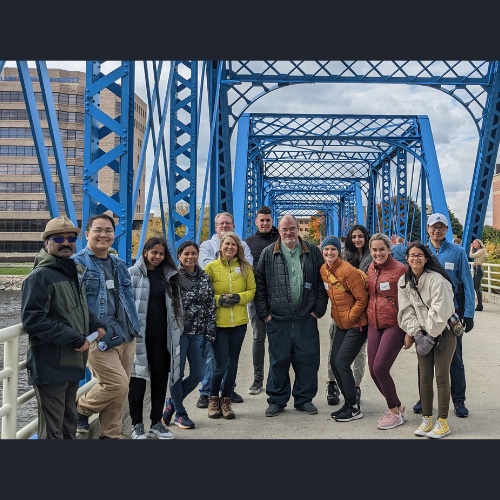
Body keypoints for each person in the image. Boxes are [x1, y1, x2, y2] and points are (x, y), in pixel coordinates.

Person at [20, 216, 105, 439]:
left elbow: (77, 308)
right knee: (52, 430)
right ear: (46, 242)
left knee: (69, 424)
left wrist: (94, 323)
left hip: (72, 361)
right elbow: (33, 320)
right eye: (58, 238)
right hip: (51, 364)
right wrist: (74, 337)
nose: (66, 242)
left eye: (71, 238)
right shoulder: (40, 277)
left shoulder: (71, 272)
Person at [74, 214, 140, 439]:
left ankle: (110, 437)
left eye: (109, 230)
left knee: (120, 393)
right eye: (98, 230)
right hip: (98, 338)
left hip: (125, 335)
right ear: (87, 234)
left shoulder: (119, 264)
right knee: (117, 384)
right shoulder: (78, 264)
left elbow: (127, 300)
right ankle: (81, 408)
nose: (104, 235)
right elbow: (75, 303)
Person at [255, 214, 328, 417]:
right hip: (278, 318)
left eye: (292, 228)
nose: (288, 232)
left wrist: (318, 311)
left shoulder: (312, 251)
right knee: (278, 360)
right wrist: (265, 315)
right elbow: (259, 285)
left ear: (298, 229)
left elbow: (322, 282)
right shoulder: (268, 253)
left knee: (307, 360)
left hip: (306, 316)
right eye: (284, 229)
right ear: (278, 230)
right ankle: (277, 400)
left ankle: (304, 399)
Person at [411, 213, 474, 418]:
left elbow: (467, 282)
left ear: (446, 230)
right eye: (433, 227)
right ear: (427, 228)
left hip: (450, 315)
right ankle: (424, 398)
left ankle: (458, 400)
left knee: (455, 360)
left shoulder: (457, 252)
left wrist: (469, 313)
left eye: (441, 227)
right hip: (425, 316)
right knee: (425, 359)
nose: (437, 230)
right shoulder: (421, 252)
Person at [398, 241, 456, 438]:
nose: (415, 258)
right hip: (422, 334)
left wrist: (429, 334)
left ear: (426, 258)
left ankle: (443, 421)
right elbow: (405, 310)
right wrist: (416, 332)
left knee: (441, 376)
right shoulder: (404, 281)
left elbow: (441, 310)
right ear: (407, 258)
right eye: (412, 255)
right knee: (424, 377)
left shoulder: (437, 280)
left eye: (419, 255)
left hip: (443, 333)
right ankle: (426, 418)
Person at [127, 236, 183, 440]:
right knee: (138, 381)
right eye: (154, 253)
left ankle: (156, 423)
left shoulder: (169, 276)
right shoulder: (132, 274)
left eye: (161, 253)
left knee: (160, 379)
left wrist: (178, 329)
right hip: (139, 336)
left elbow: (178, 307)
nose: (157, 257)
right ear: (145, 252)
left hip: (163, 336)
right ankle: (136, 424)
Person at [196, 212, 253, 408]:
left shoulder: (243, 247)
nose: (225, 226)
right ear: (216, 226)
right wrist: (221, 300)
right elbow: (205, 271)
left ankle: (227, 392)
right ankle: (207, 393)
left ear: (233, 225)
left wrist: (238, 297)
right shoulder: (206, 247)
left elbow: (249, 277)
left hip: (238, 319)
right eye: (221, 223)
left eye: (228, 223)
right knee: (216, 358)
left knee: (231, 360)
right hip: (217, 318)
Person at [161, 240, 216, 430]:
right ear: (179, 256)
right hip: (179, 333)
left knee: (198, 373)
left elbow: (210, 305)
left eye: (193, 253)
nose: (190, 257)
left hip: (199, 333)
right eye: (186, 254)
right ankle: (181, 413)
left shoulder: (205, 277)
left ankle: (171, 404)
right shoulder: (172, 277)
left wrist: (210, 332)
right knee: (176, 374)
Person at [204, 232, 256, 419]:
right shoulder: (210, 268)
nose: (230, 247)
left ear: (238, 248)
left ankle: (226, 400)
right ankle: (212, 398)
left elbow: (252, 291)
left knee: (233, 364)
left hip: (239, 323)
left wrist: (238, 298)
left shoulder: (245, 268)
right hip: (219, 324)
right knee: (221, 365)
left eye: (234, 245)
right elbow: (205, 295)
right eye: (227, 244)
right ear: (220, 246)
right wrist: (220, 300)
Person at [320, 236, 368, 422]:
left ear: (339, 251)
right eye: (326, 250)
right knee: (334, 361)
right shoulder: (324, 270)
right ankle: (348, 404)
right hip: (341, 323)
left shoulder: (348, 271)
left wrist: (349, 317)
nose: (330, 253)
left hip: (357, 324)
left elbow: (362, 299)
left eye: (333, 249)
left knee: (341, 362)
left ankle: (354, 407)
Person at [365, 233, 408, 429]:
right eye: (374, 249)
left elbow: (410, 301)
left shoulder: (400, 270)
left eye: (382, 249)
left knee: (380, 368)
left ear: (389, 249)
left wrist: (410, 331)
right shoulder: (371, 269)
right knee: (373, 371)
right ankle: (398, 407)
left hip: (394, 324)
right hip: (374, 323)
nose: (378, 253)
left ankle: (393, 412)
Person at [331, 223, 372, 405]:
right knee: (335, 350)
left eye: (360, 236)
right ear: (349, 238)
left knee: (360, 352)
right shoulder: (342, 258)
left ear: (366, 238)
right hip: (342, 312)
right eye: (354, 236)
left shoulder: (373, 258)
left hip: (363, 313)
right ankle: (332, 383)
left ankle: (356, 385)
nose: (357, 240)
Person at [244, 205, 279, 395]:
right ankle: (258, 380)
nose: (265, 223)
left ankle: (275, 379)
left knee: (277, 339)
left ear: (272, 221)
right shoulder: (248, 243)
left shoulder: (280, 239)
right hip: (257, 296)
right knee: (258, 337)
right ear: (256, 222)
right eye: (262, 220)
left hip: (277, 296)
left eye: (268, 220)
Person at [469, 238, 488, 311]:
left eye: (476, 243)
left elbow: (471, 255)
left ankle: (480, 305)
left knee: (477, 287)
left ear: (479, 243)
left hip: (478, 268)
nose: (474, 244)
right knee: (475, 286)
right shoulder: (479, 251)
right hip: (476, 268)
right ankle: (478, 304)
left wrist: (471, 248)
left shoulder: (481, 251)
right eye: (473, 243)